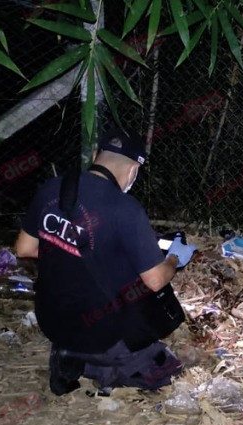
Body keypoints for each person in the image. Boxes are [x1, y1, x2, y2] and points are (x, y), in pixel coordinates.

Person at [15, 128, 197, 396]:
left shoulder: (52, 188)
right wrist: (173, 259)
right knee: (167, 368)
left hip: (52, 320)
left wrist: (68, 250)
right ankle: (101, 362)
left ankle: (72, 355)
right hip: (102, 332)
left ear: (95, 155)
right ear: (134, 170)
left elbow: (24, 248)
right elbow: (155, 280)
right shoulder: (125, 208)